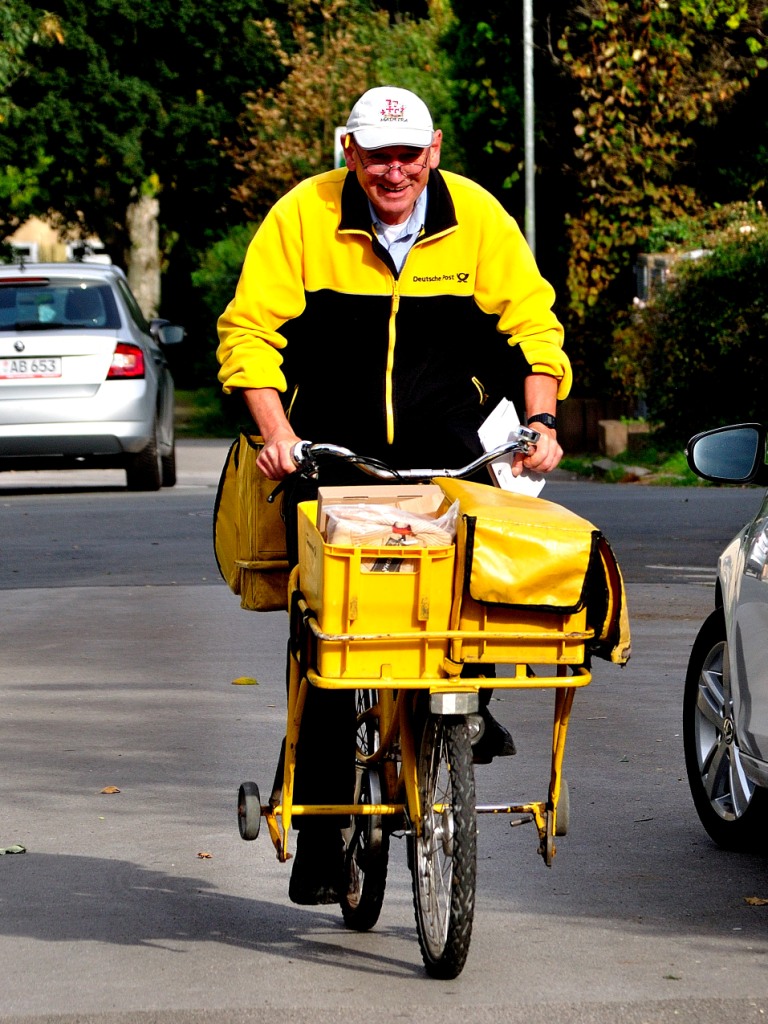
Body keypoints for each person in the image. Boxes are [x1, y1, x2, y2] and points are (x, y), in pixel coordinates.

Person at [217, 85, 572, 905]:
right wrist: (275, 434)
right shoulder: (303, 219)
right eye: (377, 155)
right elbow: (249, 334)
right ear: (349, 152)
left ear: (434, 149)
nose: (394, 170)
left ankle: (461, 716)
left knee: (472, 594)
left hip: (449, 453)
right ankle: (318, 827)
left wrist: (543, 417)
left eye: (408, 153)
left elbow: (532, 323)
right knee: (333, 633)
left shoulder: (479, 220)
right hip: (331, 454)